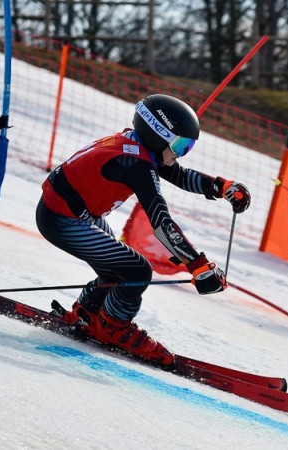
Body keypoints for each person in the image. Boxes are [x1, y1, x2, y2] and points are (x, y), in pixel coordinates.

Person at [36, 94, 251, 366]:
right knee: (137, 269)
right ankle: (112, 328)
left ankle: (87, 315)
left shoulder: (137, 146)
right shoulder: (136, 164)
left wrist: (222, 187)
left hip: (72, 214)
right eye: (182, 145)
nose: (182, 153)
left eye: (189, 146)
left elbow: (179, 175)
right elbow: (161, 222)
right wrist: (197, 265)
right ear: (158, 135)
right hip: (62, 220)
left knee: (117, 267)